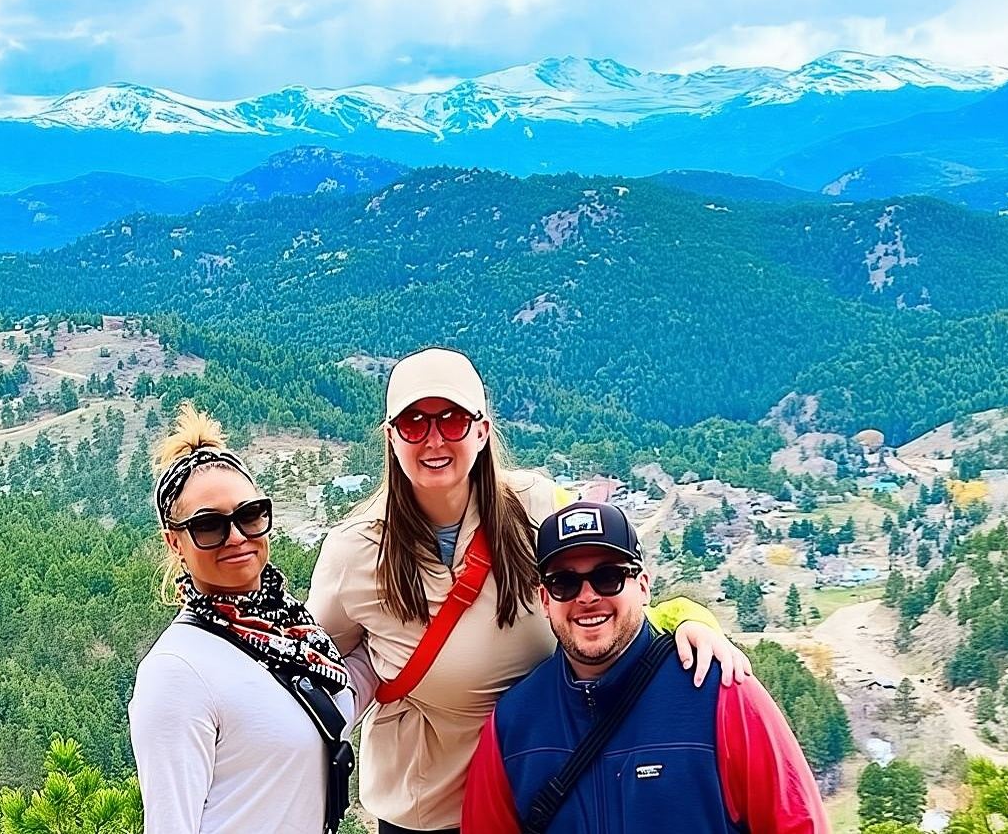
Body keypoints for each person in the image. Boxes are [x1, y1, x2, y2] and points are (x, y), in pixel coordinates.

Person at [308, 347, 751, 834]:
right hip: (432, 810)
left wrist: (691, 621)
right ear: (392, 437)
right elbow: (317, 666)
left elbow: (612, 585)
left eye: (452, 420)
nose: (434, 439)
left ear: (482, 430)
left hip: (551, 790)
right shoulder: (354, 552)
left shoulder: (535, 506)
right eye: (414, 424)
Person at [462, 501, 830, 834]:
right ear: (545, 600)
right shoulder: (513, 724)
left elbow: (798, 824)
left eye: (608, 577)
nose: (587, 597)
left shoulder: (720, 691)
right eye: (564, 583)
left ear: (642, 586)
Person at [130, 404, 354, 834]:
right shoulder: (177, 671)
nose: (236, 537)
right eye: (209, 525)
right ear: (175, 542)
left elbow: (322, 705)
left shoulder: (292, 634)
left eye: (249, 515)